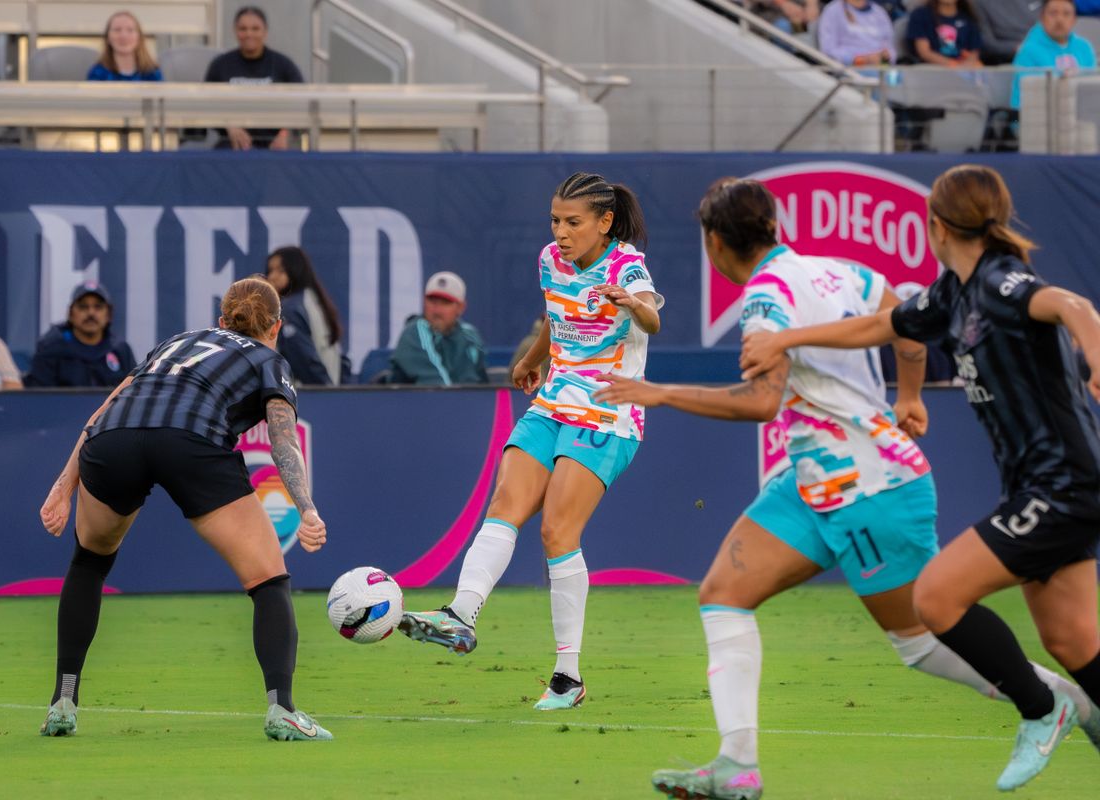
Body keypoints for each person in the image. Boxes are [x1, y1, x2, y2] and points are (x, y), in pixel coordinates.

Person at [594, 177, 1095, 800]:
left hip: (869, 484)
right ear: (773, 227)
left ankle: (1064, 701)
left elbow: (760, 401)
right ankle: (736, 766)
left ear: (715, 243)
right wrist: (908, 394)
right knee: (723, 594)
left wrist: (659, 392)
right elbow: (901, 324)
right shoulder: (841, 271)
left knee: (919, 638)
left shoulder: (762, 299)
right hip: (810, 478)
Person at [740, 164, 1100, 791]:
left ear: (935, 225)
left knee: (935, 596)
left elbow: (1070, 304)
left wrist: (1095, 348)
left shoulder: (1000, 282)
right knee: (1072, 644)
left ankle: (1044, 709)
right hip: (1037, 487)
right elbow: (880, 326)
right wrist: (787, 339)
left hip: (1063, 487)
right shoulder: (951, 295)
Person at [399, 173, 663, 710]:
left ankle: (568, 677)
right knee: (504, 504)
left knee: (556, 530)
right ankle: (460, 614)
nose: (561, 233)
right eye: (554, 221)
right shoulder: (550, 260)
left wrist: (631, 303)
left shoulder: (626, 265)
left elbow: (652, 319)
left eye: (573, 222)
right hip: (553, 401)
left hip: (609, 412)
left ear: (604, 223)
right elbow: (557, 315)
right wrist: (533, 357)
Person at [37, 277, 331, 742]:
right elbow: (281, 438)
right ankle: (283, 710)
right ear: (275, 327)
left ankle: (63, 701)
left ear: (220, 321)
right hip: (190, 441)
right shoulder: (269, 359)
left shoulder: (176, 342)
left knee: (89, 562)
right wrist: (307, 507)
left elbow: (105, 410)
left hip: (114, 439)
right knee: (268, 579)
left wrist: (62, 485)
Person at [203, 6, 304, 150]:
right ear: (235, 31)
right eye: (243, 29)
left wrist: (285, 133)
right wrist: (229, 125)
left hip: (276, 145)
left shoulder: (283, 65)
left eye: (255, 28)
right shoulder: (220, 65)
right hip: (232, 144)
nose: (249, 34)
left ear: (265, 32)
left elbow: (301, 103)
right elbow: (206, 104)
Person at [24, 280, 136, 388]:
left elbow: (134, 391)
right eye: (83, 306)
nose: (91, 313)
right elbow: (38, 399)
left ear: (108, 315)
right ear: (70, 313)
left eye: (98, 307)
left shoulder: (121, 350)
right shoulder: (50, 348)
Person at [264, 246, 346, 385]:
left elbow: (304, 359)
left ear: (296, 271)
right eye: (270, 271)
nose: (272, 277)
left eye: (281, 270)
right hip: (330, 392)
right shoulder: (314, 300)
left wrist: (325, 389)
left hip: (311, 397)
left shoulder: (291, 309)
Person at [388, 271, 489, 386]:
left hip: (460, 402)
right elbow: (435, 385)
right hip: (415, 403)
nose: (437, 310)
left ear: (461, 307)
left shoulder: (470, 336)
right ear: (424, 302)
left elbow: (476, 385)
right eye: (432, 301)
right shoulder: (415, 331)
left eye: (445, 303)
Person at [1011, 0, 1098, 108]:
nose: (1059, 19)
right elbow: (1025, 98)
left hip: (1081, 116)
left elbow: (1093, 91)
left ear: (1074, 19)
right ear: (1042, 18)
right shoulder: (1028, 51)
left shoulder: (1084, 47)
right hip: (1038, 117)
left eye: (1066, 13)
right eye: (1053, 13)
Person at [86, 11, 163, 82]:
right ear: (108, 38)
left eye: (130, 30)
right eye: (117, 30)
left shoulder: (152, 73)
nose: (123, 36)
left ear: (139, 37)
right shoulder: (98, 73)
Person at [817, 0, 897, 66]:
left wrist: (886, 56)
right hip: (849, 70)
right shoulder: (833, 10)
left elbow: (890, 48)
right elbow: (828, 50)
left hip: (881, 68)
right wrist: (861, 59)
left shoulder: (879, 12)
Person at [906, 0, 983, 67]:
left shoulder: (968, 17)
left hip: (965, 68)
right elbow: (924, 52)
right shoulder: (921, 15)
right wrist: (954, 65)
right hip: (933, 69)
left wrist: (967, 65)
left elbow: (974, 51)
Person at [976, 0, 1041, 65]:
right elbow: (988, 44)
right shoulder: (981, 3)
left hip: (1043, 49)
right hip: (1007, 62)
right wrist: (1016, 48)